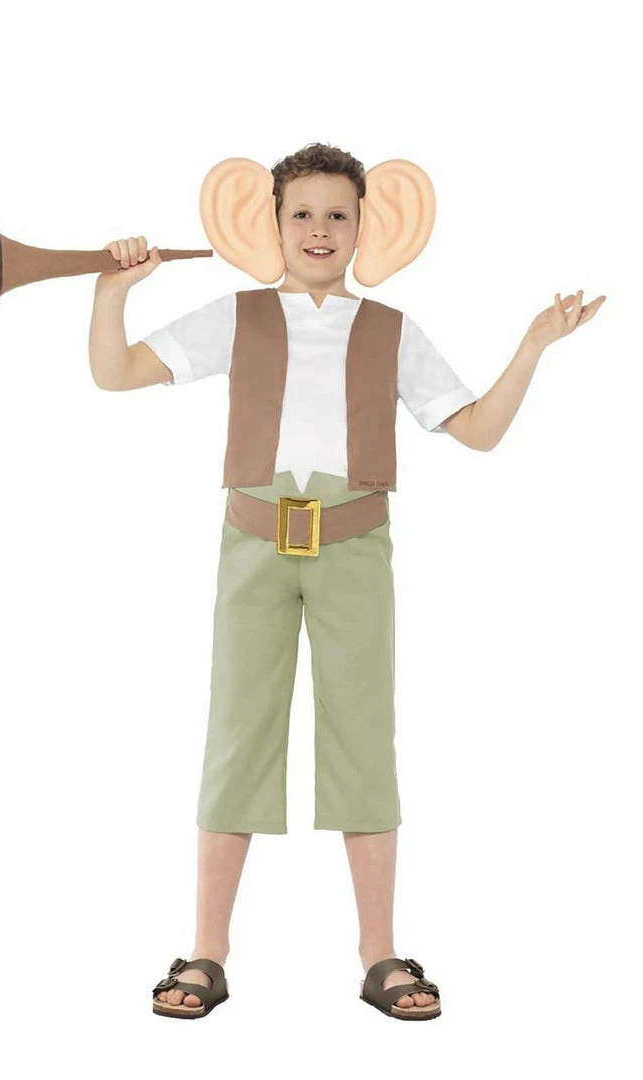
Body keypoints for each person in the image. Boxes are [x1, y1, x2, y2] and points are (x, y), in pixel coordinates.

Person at [89, 143, 606, 1021]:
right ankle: (207, 951)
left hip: (355, 551)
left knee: (363, 738)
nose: (319, 229)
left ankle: (379, 954)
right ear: (269, 223)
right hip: (252, 546)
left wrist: (531, 346)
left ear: (370, 226)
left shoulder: (391, 330)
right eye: (301, 213)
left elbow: (476, 429)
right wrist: (113, 293)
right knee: (236, 734)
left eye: (337, 214)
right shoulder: (236, 317)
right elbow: (115, 372)